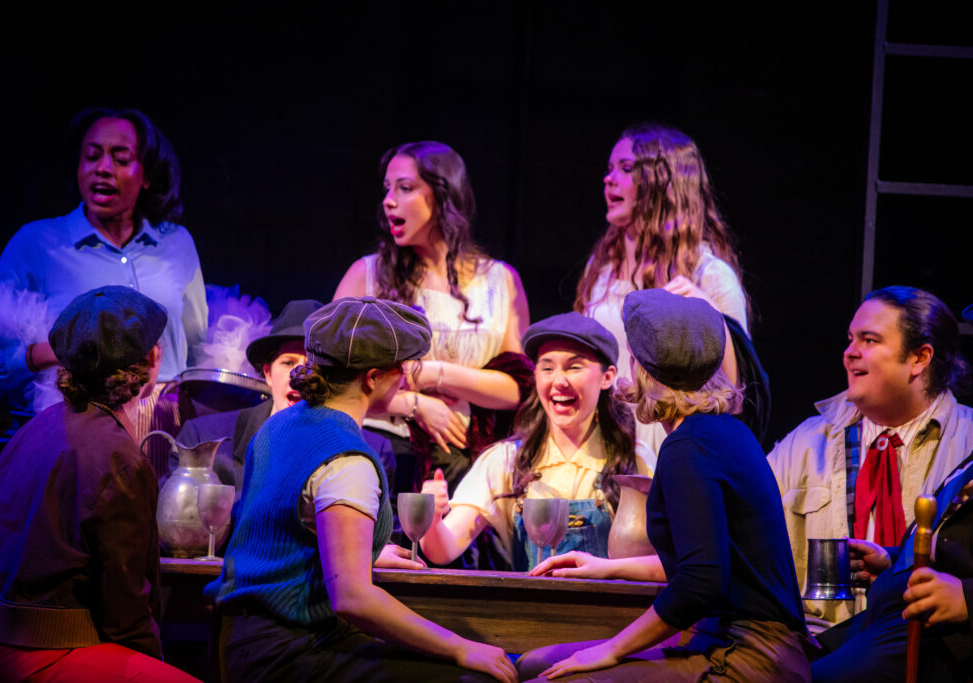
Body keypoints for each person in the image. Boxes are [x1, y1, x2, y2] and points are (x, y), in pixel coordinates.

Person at [205, 297, 516, 682]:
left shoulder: (278, 426)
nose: (403, 380)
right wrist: (460, 646)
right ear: (372, 378)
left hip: (236, 639)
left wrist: (363, 552)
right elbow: (353, 598)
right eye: (400, 370)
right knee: (479, 678)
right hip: (287, 652)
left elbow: (282, 533)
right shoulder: (346, 458)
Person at [518, 290, 812, 682]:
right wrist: (608, 568)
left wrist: (610, 649)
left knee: (550, 677)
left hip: (749, 655)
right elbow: (707, 561)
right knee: (533, 662)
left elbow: (700, 584)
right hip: (727, 638)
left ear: (641, 367)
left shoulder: (689, 446)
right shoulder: (723, 432)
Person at [0, 286, 197, 682]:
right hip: (53, 652)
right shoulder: (118, 457)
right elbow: (125, 610)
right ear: (152, 358)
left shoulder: (32, 429)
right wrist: (153, 662)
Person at [811, 272, 973, 682]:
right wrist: (895, 560)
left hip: (946, 638)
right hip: (891, 614)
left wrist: (972, 600)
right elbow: (962, 530)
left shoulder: (969, 430)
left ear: (920, 358)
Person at [768, 286, 973, 624]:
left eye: (869, 340)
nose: (850, 353)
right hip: (814, 641)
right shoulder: (805, 443)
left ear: (919, 358)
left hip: (924, 640)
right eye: (850, 339)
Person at [333, 140, 532, 495]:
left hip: (468, 464)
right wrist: (415, 405)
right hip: (384, 450)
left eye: (405, 188)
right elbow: (331, 380)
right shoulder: (367, 276)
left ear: (443, 195)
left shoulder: (500, 282)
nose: (388, 200)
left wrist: (435, 373)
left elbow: (517, 388)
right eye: (387, 189)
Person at [0, 108, 207, 413]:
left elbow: (197, 348)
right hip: (82, 419)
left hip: (168, 418)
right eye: (91, 156)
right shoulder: (36, 243)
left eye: (121, 159)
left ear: (147, 175)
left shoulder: (177, 243)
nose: (103, 168)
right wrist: (61, 351)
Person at [574, 123, 769, 455]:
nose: (609, 179)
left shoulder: (709, 276)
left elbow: (738, 394)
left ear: (663, 182)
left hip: (671, 446)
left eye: (626, 168)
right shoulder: (602, 268)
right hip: (604, 442)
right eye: (610, 168)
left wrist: (712, 317)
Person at [418, 312, 656, 571]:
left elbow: (668, 558)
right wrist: (432, 518)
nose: (559, 381)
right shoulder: (506, 460)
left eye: (574, 367)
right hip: (529, 598)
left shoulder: (634, 459)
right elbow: (442, 550)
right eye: (547, 368)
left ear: (607, 377)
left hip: (608, 599)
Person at [176, 299, 397, 496]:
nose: (299, 375)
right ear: (267, 373)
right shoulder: (201, 438)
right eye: (288, 362)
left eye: (313, 365)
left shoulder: (372, 451)